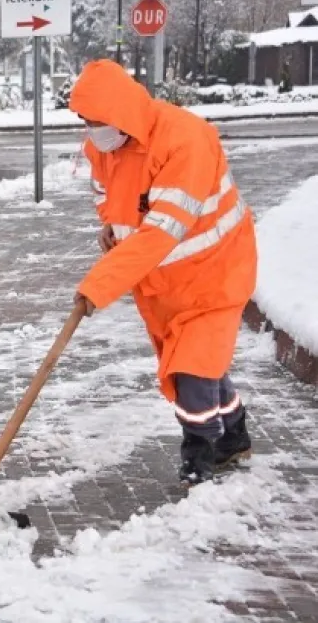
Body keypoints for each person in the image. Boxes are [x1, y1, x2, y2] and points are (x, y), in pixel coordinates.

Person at [68, 59, 257, 486]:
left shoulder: (184, 140)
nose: (93, 130)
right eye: (86, 121)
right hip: (164, 279)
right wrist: (111, 226)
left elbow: (163, 229)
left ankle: (201, 449)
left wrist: (99, 286)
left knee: (191, 365)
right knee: (202, 362)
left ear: (123, 113)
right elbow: (109, 193)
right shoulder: (104, 144)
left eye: (99, 120)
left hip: (216, 270)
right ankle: (235, 436)